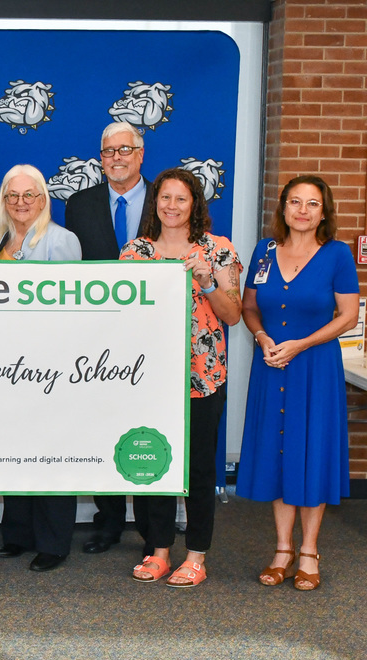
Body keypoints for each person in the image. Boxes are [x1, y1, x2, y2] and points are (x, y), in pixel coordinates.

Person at [121, 168, 242, 588]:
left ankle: (195, 555)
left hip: (202, 377)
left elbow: (233, 315)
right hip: (149, 376)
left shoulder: (217, 250)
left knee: (199, 468)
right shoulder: (135, 252)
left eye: (181, 199)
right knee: (152, 461)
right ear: (155, 203)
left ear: (195, 205)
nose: (171, 206)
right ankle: (158, 550)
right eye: (164, 198)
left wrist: (206, 282)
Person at [237, 175, 358, 591]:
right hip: (272, 366)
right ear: (283, 209)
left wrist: (300, 344)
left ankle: (309, 550)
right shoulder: (264, 251)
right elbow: (249, 306)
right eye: (295, 202)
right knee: (278, 450)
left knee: (312, 450)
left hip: (314, 368)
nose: (302, 211)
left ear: (324, 211)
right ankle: (282, 549)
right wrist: (264, 337)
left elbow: (348, 317)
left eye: (312, 203)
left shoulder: (337, 255)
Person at [64, 121, 152, 555]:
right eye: (107, 151)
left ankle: (156, 529)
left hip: (155, 337)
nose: (115, 158)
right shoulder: (79, 204)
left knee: (153, 425)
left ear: (141, 153)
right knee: (103, 428)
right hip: (97, 341)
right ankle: (109, 520)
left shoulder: (167, 200)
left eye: (124, 150)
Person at [0, 165, 81, 572]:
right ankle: (19, 535)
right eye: (13, 196)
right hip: (7, 367)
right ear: (4, 202)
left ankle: (54, 542)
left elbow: (73, 306)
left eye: (30, 195)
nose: (21, 203)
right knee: (14, 450)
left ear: (44, 200)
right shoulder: (0, 241)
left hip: (50, 368)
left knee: (51, 453)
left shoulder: (62, 240)